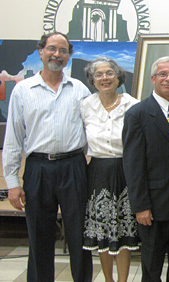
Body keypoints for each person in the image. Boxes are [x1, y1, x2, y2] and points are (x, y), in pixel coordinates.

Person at [2, 32, 93, 281]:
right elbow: (13, 138)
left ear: (69, 56)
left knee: (79, 236)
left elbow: (92, 131)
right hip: (37, 169)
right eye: (52, 48)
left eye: (63, 51)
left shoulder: (80, 89)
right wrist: (12, 183)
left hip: (74, 167)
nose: (57, 54)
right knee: (39, 237)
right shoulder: (23, 90)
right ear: (41, 51)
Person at [122, 56, 169, 281]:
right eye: (163, 74)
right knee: (152, 264)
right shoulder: (137, 114)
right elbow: (133, 165)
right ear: (153, 79)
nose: (168, 79)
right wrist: (141, 206)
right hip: (153, 207)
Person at [81, 57, 140, 282]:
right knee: (102, 231)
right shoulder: (85, 105)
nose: (104, 78)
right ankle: (108, 279)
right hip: (96, 173)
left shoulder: (132, 105)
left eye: (109, 73)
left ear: (118, 77)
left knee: (123, 230)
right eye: (99, 74)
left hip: (125, 171)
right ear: (92, 80)